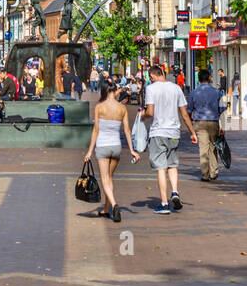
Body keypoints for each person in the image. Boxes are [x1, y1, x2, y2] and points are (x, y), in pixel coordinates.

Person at [143, 64, 197, 213]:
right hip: (174, 133)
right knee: (172, 165)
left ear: (153, 76)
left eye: (150, 78)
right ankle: (174, 191)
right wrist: (192, 132)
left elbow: (150, 112)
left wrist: (142, 115)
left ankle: (165, 204)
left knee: (161, 168)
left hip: (158, 132)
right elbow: (184, 114)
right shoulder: (176, 88)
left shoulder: (151, 89)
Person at [84, 79, 140, 221]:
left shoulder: (100, 107)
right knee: (110, 178)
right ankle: (106, 209)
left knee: (104, 179)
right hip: (116, 147)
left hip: (102, 146)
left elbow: (95, 131)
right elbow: (127, 130)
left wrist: (90, 151)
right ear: (114, 91)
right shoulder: (122, 108)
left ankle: (114, 205)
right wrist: (132, 150)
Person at [188, 69, 225, 183]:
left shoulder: (194, 92)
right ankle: (214, 172)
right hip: (214, 122)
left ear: (199, 79)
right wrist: (223, 126)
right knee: (213, 147)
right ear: (209, 78)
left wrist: (190, 122)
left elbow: (189, 110)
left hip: (199, 122)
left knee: (203, 148)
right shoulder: (217, 92)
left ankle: (205, 174)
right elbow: (222, 110)